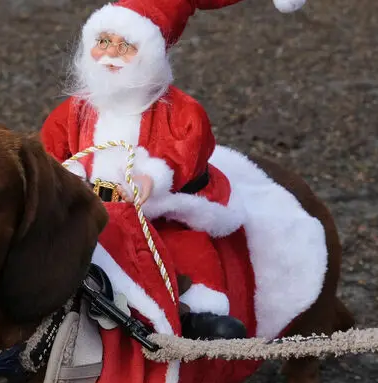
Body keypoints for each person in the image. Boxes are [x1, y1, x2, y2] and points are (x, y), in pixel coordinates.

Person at [41, 0, 307, 340]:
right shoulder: (75, 110)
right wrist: (70, 175)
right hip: (92, 206)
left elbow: (187, 148)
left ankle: (201, 312)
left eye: (126, 46)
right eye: (103, 42)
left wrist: (152, 177)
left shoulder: (178, 110)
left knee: (186, 247)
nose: (111, 54)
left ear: (149, 55)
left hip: (160, 208)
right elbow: (53, 148)